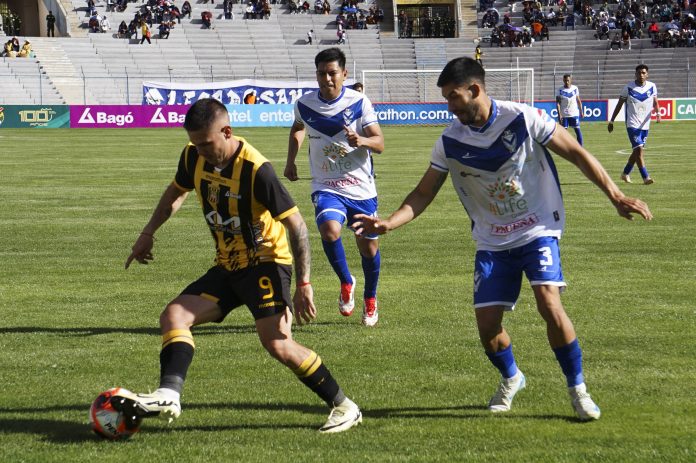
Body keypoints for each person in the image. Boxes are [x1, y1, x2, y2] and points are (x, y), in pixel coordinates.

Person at [353, 57, 653, 421]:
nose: (449, 106)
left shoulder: (523, 118)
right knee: (487, 327)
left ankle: (578, 390)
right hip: (492, 240)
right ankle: (512, 377)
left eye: (453, 97)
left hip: (537, 228)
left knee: (549, 303)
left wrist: (615, 195)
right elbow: (423, 193)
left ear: (474, 89)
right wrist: (390, 223)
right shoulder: (449, 141)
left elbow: (576, 153)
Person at [116, 98, 362, 434]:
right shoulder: (192, 155)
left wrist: (304, 283)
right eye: (196, 144)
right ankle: (169, 395)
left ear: (227, 132)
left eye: (207, 143)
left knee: (277, 343)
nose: (201, 151)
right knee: (173, 316)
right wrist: (148, 233)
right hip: (227, 264)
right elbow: (176, 191)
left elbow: (297, 227)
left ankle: (344, 406)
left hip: (266, 264)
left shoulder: (257, 170)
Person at [284, 48, 385, 327]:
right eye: (321, 73)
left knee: (369, 250)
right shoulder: (304, 104)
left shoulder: (359, 102)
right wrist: (290, 161)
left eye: (332, 73)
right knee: (329, 230)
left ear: (344, 74)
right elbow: (298, 127)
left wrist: (362, 141)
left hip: (361, 188)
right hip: (326, 184)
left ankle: (370, 298)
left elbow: (379, 143)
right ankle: (346, 281)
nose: (327, 79)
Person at [608, 64, 660, 185]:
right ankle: (645, 177)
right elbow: (619, 104)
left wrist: (658, 114)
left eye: (643, 73)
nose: (641, 75)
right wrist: (612, 121)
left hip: (645, 125)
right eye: (639, 73)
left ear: (647, 74)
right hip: (632, 124)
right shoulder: (628, 88)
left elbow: (655, 102)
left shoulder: (652, 86)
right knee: (639, 150)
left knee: (636, 151)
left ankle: (625, 173)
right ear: (635, 74)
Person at [555, 74, 584, 145]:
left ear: (570, 80)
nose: (566, 82)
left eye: (568, 80)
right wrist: (559, 115)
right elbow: (558, 103)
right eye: (565, 80)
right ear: (563, 80)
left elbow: (578, 100)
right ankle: (564, 147)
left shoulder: (575, 88)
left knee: (578, 131)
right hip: (564, 115)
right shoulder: (560, 90)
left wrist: (581, 111)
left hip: (574, 114)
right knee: (563, 133)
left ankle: (581, 148)